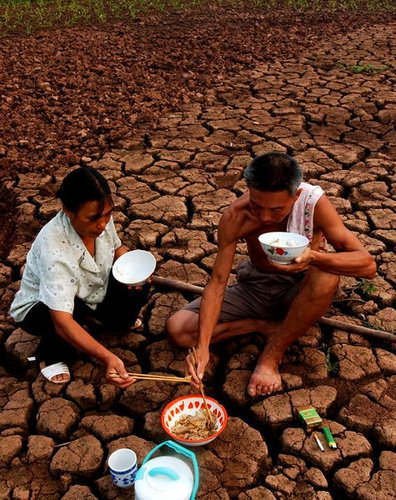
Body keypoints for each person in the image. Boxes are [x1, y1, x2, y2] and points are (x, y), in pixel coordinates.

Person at [166, 152, 376, 397]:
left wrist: (314, 257)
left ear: (296, 196)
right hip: (257, 287)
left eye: (276, 210)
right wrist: (202, 347)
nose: (264, 217)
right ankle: (267, 326)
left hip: (301, 290)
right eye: (257, 205)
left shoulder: (313, 204)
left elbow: (367, 266)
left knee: (326, 275)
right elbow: (218, 281)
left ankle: (271, 355)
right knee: (179, 330)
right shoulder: (236, 216)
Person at [10, 166, 150, 387]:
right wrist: (107, 357)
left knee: (137, 285)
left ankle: (111, 322)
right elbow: (62, 321)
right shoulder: (54, 247)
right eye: (94, 218)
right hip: (44, 308)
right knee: (69, 320)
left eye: (107, 215)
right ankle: (49, 356)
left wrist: (133, 271)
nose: (102, 224)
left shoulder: (100, 217)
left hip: (91, 292)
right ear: (68, 211)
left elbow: (117, 249)